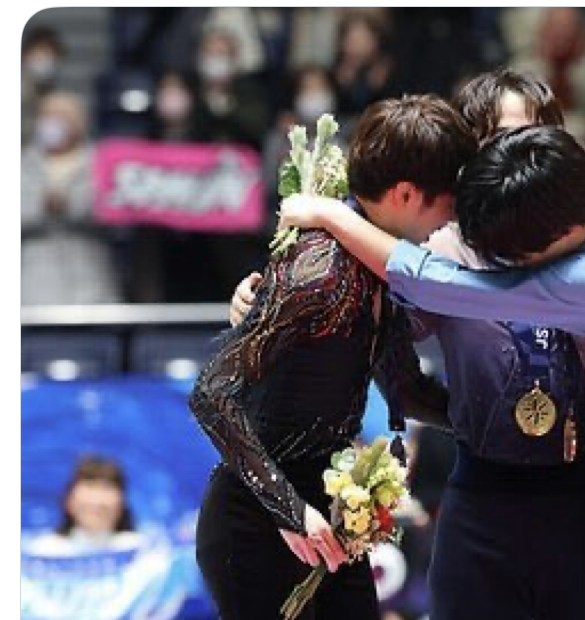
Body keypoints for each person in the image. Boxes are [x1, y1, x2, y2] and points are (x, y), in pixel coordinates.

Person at [280, 125, 585, 620]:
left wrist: (332, 215)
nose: (503, 263)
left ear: (560, 232)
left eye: (514, 259)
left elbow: (438, 284)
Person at [188, 94, 474, 620]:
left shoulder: (378, 265)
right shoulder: (319, 271)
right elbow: (211, 395)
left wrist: (494, 425)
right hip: (257, 524)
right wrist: (290, 510)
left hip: (329, 512)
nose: (451, 218)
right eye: (448, 203)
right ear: (406, 194)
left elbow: (407, 389)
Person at [21, 90, 122, 305]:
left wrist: (73, 205)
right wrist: (41, 207)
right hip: (32, 287)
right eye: (47, 115)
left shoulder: (103, 162)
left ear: (79, 122)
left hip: (92, 282)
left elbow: (117, 211)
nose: (52, 123)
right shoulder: (21, 164)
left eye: (61, 116)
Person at [26, 455, 141, 556]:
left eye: (106, 489)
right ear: (69, 501)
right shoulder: (45, 549)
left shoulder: (138, 549)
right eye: (90, 488)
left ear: (122, 504)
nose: (97, 501)